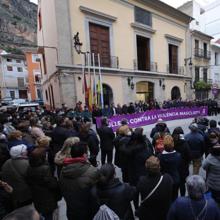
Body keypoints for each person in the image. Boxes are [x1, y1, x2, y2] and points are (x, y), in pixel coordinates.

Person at [59, 141, 99, 220]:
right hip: (88, 211)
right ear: (84, 155)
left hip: (71, 209)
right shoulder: (92, 171)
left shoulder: (63, 170)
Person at [136, 156, 173, 220]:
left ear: (146, 168)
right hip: (163, 213)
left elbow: (136, 195)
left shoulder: (142, 181)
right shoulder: (167, 178)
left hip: (147, 214)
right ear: (159, 167)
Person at [27, 150, 60, 220]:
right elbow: (51, 184)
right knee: (49, 215)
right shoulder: (45, 168)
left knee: (42, 212)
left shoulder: (29, 167)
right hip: (47, 195)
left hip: (36, 195)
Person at [158, 135, 181, 201]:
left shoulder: (160, 156)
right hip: (176, 179)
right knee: (175, 196)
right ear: (173, 144)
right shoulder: (178, 155)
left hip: (165, 180)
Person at [172, 127, 191, 196]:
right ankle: (183, 197)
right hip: (183, 167)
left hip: (174, 168)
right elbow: (189, 156)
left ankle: (175, 199)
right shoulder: (185, 144)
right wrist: (186, 163)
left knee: (175, 186)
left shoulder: (172, 143)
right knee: (182, 184)